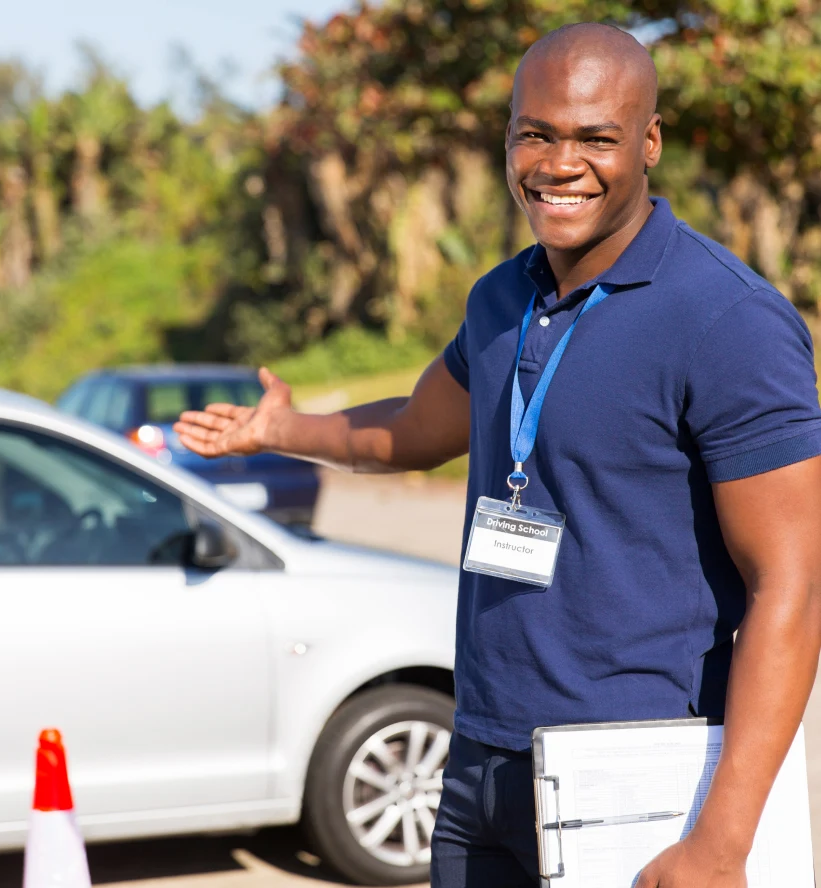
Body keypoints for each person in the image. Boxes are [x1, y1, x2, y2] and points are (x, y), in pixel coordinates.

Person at [174, 22, 821, 888]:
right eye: (536, 133)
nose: (560, 163)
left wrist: (723, 837)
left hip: (636, 771)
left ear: (649, 142)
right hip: (480, 757)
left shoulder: (725, 319)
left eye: (596, 137)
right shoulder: (499, 298)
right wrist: (280, 431)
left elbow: (793, 582)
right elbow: (409, 430)